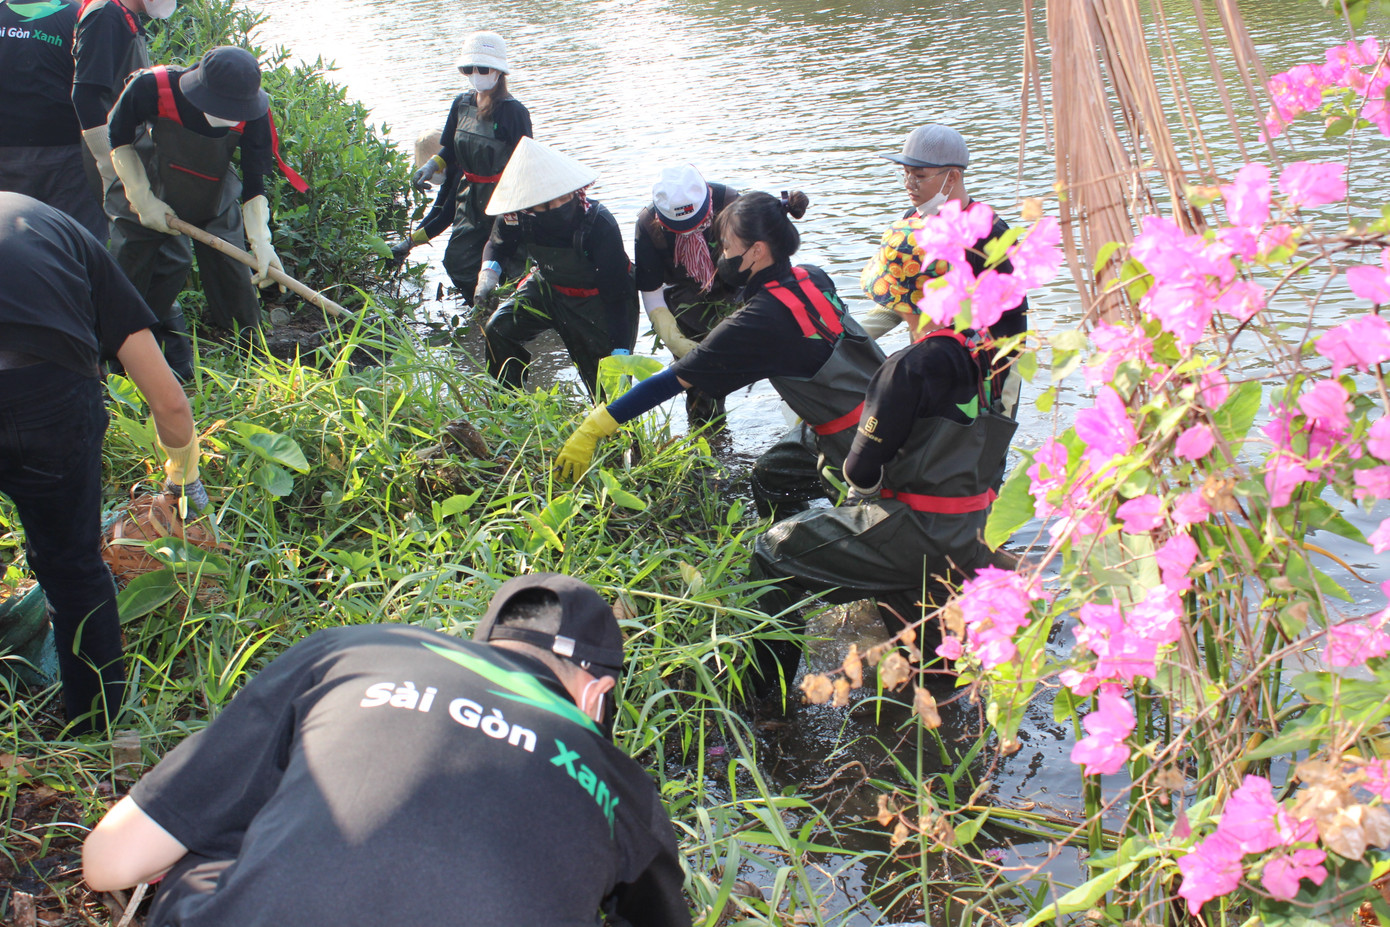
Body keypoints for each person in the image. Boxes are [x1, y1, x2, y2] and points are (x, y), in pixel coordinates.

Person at [82, 573, 692, 927]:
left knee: (222, 833)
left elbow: (107, 865)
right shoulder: (625, 790)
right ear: (596, 697)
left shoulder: (351, 650)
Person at [0, 192, 203, 734]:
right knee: (71, 570)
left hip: (48, 395)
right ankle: (96, 727)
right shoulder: (54, 227)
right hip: (51, 403)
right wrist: (186, 486)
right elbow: (169, 400)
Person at [747, 292, 1018, 695]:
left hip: (916, 531)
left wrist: (859, 495)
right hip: (969, 527)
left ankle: (767, 700)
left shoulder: (909, 365)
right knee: (933, 675)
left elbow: (860, 470)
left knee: (771, 551)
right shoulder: (993, 353)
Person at [556, 191, 886, 521]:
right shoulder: (813, 276)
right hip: (887, 409)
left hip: (856, 443)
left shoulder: (757, 320)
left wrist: (595, 426)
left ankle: (803, 542)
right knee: (770, 476)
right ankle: (795, 524)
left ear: (757, 250)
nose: (721, 258)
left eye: (727, 247)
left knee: (847, 522)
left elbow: (670, 382)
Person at [106, 45, 305, 378]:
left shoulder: (255, 111)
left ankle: (255, 365)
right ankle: (115, 368)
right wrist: (142, 198)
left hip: (213, 194)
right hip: (152, 186)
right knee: (133, 275)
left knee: (235, 280)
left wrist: (261, 241)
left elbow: (255, 180)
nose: (229, 113)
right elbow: (118, 137)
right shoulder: (153, 86)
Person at [862, 124, 1028, 416]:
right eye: (905, 174)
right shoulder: (912, 221)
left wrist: (1001, 392)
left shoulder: (990, 236)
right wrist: (853, 338)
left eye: (920, 176)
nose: (909, 184)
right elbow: (898, 296)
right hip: (928, 360)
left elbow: (1013, 321)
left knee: (982, 447)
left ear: (952, 176)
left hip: (985, 368)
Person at [478, 136, 637, 394]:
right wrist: (486, 278)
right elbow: (498, 245)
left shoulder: (598, 224)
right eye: (542, 205)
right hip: (548, 285)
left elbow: (616, 297)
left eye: (559, 200)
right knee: (498, 329)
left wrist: (620, 352)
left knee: (609, 390)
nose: (552, 209)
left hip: (599, 299)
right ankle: (509, 409)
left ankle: (622, 432)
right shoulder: (518, 215)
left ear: (573, 192)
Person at [391, 31, 532, 299]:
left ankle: (512, 314)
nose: (475, 73)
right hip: (470, 199)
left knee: (512, 264)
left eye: (482, 68)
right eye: (469, 69)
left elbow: (527, 163)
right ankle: (479, 305)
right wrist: (431, 166)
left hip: (505, 198)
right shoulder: (461, 104)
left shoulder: (514, 112)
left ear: (498, 72)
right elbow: (450, 151)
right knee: (458, 261)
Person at [634, 164, 743, 426]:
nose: (690, 232)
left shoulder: (730, 203)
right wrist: (675, 340)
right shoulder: (648, 225)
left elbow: (761, 259)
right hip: (686, 302)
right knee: (701, 384)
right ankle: (708, 439)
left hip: (738, 289)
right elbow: (651, 292)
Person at [0, 0, 106, 238]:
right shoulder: (78, 16)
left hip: (7, 155)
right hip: (67, 157)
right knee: (74, 243)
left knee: (11, 243)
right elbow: (93, 88)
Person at [72, 0, 177, 217]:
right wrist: (108, 160)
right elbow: (85, 95)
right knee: (128, 229)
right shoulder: (105, 15)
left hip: (130, 148)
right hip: (114, 151)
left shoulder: (125, 15)